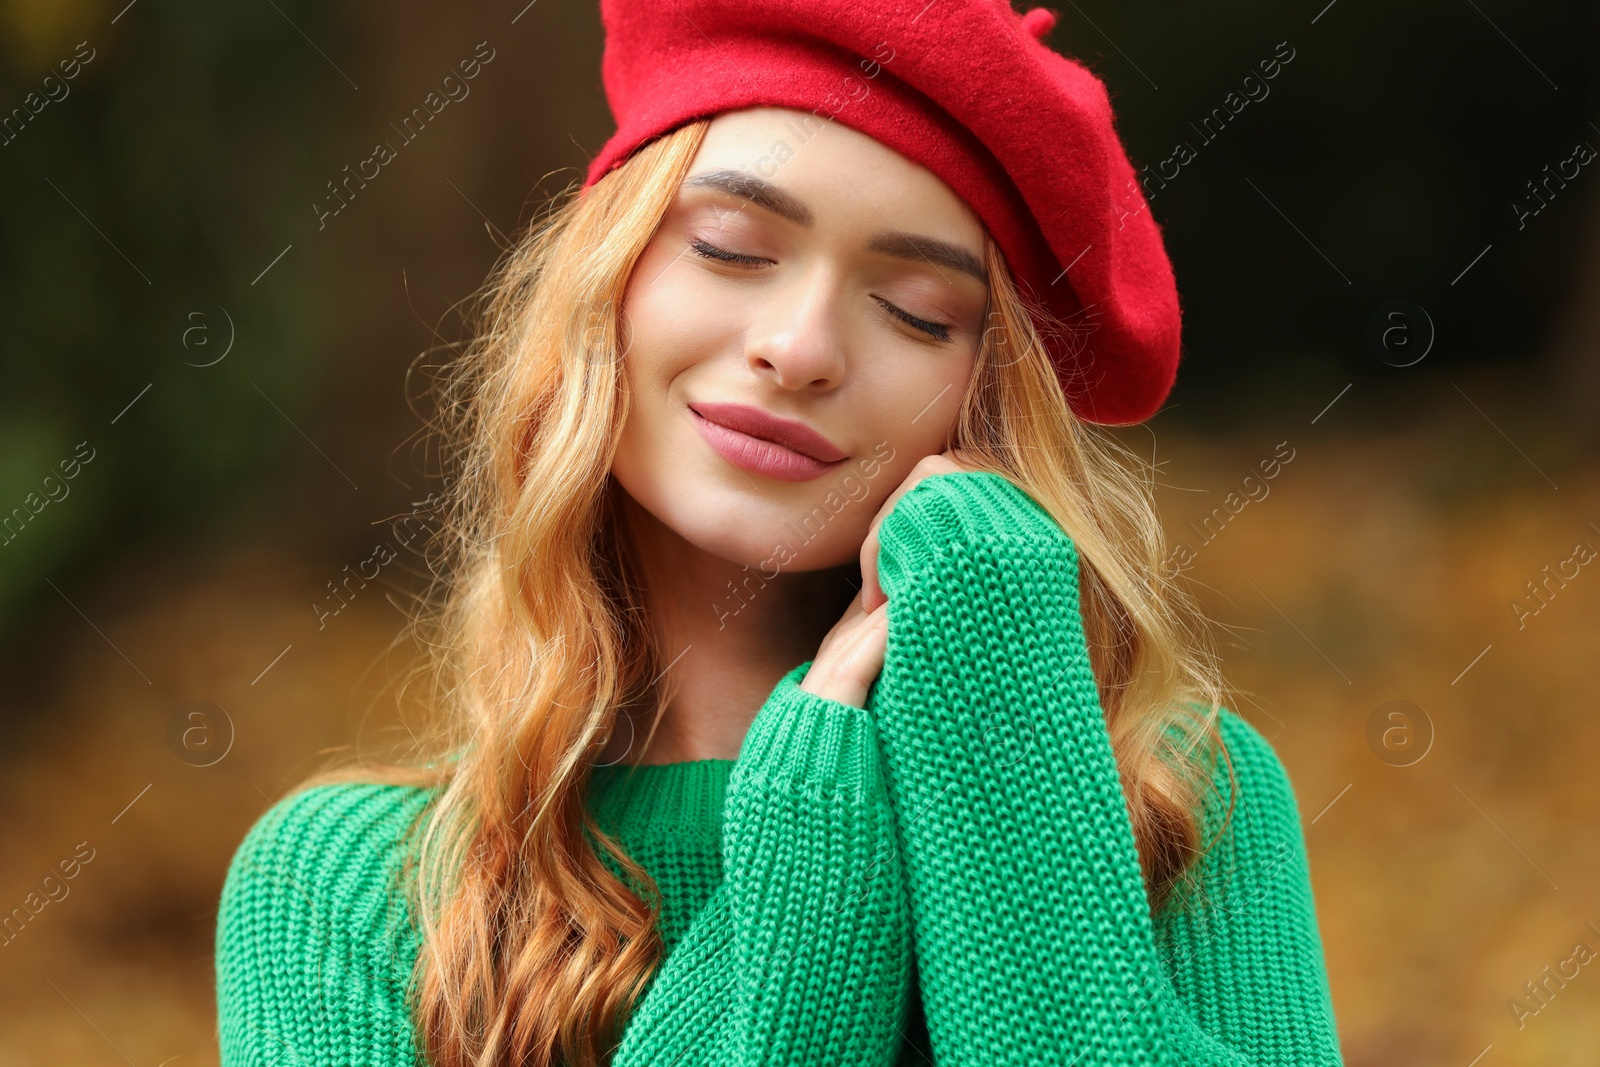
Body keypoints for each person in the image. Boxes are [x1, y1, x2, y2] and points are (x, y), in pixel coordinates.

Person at [214, 2, 1345, 1065]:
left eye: (916, 310)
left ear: (985, 397)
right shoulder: (349, 883)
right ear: (601, 284)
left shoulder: (1176, 803)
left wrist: (1002, 720)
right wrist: (805, 842)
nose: (800, 345)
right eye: (729, 245)